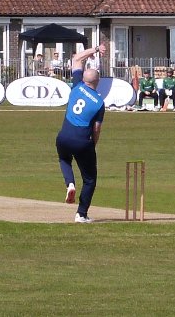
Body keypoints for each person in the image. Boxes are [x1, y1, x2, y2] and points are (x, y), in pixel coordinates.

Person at [56, 43, 107, 223]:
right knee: (90, 180)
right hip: (82, 142)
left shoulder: (77, 86)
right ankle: (81, 214)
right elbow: (96, 129)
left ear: (84, 78)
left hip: (63, 137)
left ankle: (70, 183)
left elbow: (77, 58)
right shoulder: (99, 103)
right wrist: (93, 145)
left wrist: (95, 50)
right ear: (98, 82)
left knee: (64, 159)